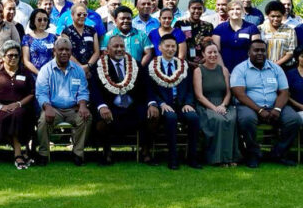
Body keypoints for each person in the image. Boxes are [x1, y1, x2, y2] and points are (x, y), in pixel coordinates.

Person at [231, 39, 301, 168]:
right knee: (246, 120)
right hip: (249, 107)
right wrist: (259, 110)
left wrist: (277, 109)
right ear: (249, 52)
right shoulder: (240, 69)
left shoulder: (276, 68)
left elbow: (284, 92)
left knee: (294, 120)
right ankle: (253, 154)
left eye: (263, 50)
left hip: (274, 105)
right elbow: (239, 94)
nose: (260, 53)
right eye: (256, 50)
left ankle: (278, 153)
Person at [89, 34, 148, 165]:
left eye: (122, 46)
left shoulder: (135, 65)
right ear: (108, 50)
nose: (119, 49)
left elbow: (145, 87)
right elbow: (94, 91)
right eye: (115, 46)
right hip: (110, 106)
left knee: (150, 115)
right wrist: (101, 106)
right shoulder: (98, 67)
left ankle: (145, 152)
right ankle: (107, 152)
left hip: (132, 106)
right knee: (101, 120)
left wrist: (152, 103)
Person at [146, 34, 201, 170]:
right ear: (160, 47)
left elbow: (189, 89)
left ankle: (192, 157)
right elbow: (150, 91)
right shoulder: (152, 66)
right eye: (167, 46)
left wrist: (188, 103)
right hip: (164, 105)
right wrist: (161, 104)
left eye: (173, 47)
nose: (171, 49)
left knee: (193, 118)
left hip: (182, 103)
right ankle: (173, 158)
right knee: (170, 118)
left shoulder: (183, 65)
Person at [35, 37, 92, 166]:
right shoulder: (46, 70)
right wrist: (47, 107)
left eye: (67, 50)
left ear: (71, 52)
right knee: (43, 120)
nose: (64, 52)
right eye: (61, 49)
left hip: (73, 109)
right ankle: (43, 153)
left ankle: (78, 153)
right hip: (53, 108)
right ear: (54, 51)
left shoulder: (78, 70)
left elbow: (83, 91)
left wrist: (83, 105)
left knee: (86, 117)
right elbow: (41, 93)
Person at [0, 40, 36, 169]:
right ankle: (19, 153)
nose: (13, 58)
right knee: (5, 117)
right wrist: (1, 106)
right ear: (3, 57)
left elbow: (31, 93)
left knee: (17, 115)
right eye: (10, 55)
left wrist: (18, 104)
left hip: (21, 107)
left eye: (16, 55)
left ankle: (18, 153)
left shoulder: (25, 73)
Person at [193, 39, 240, 167]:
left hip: (223, 103)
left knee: (231, 119)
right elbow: (199, 96)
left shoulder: (223, 70)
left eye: (215, 52)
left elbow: (228, 92)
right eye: (209, 52)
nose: (213, 55)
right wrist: (215, 108)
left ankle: (230, 157)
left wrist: (223, 105)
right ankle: (217, 158)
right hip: (206, 105)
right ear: (203, 54)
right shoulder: (198, 71)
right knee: (218, 120)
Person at [212, 0, 260, 71]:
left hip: (246, 69)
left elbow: (256, 50)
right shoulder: (219, 29)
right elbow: (216, 51)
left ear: (243, 11)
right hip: (224, 68)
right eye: (231, 9)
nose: (235, 11)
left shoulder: (252, 28)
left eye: (238, 9)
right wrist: (223, 69)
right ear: (228, 12)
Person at [61, 3, 100, 77]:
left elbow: (96, 52)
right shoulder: (66, 32)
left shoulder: (92, 30)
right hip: (73, 69)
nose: (82, 17)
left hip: (91, 70)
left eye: (84, 14)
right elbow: (66, 52)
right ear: (72, 15)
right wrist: (81, 68)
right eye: (79, 14)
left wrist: (88, 66)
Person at [174, 0, 214, 67]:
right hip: (184, 63)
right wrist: (187, 61)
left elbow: (210, 45)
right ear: (189, 9)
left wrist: (204, 59)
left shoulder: (208, 26)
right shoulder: (180, 24)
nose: (196, 11)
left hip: (203, 63)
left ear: (203, 9)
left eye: (199, 8)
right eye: (194, 8)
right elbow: (175, 45)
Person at [258, 0, 297, 68]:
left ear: (283, 15)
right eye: (272, 16)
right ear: (267, 16)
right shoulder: (260, 29)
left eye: (278, 16)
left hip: (284, 68)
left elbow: (291, 52)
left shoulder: (290, 31)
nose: (275, 19)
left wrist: (276, 65)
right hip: (263, 67)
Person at [21, 9, 57, 76]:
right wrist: (39, 73)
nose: (43, 22)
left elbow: (56, 58)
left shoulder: (53, 37)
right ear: (33, 21)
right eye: (39, 20)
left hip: (50, 74)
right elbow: (26, 61)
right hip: (33, 75)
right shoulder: (27, 38)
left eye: (45, 19)